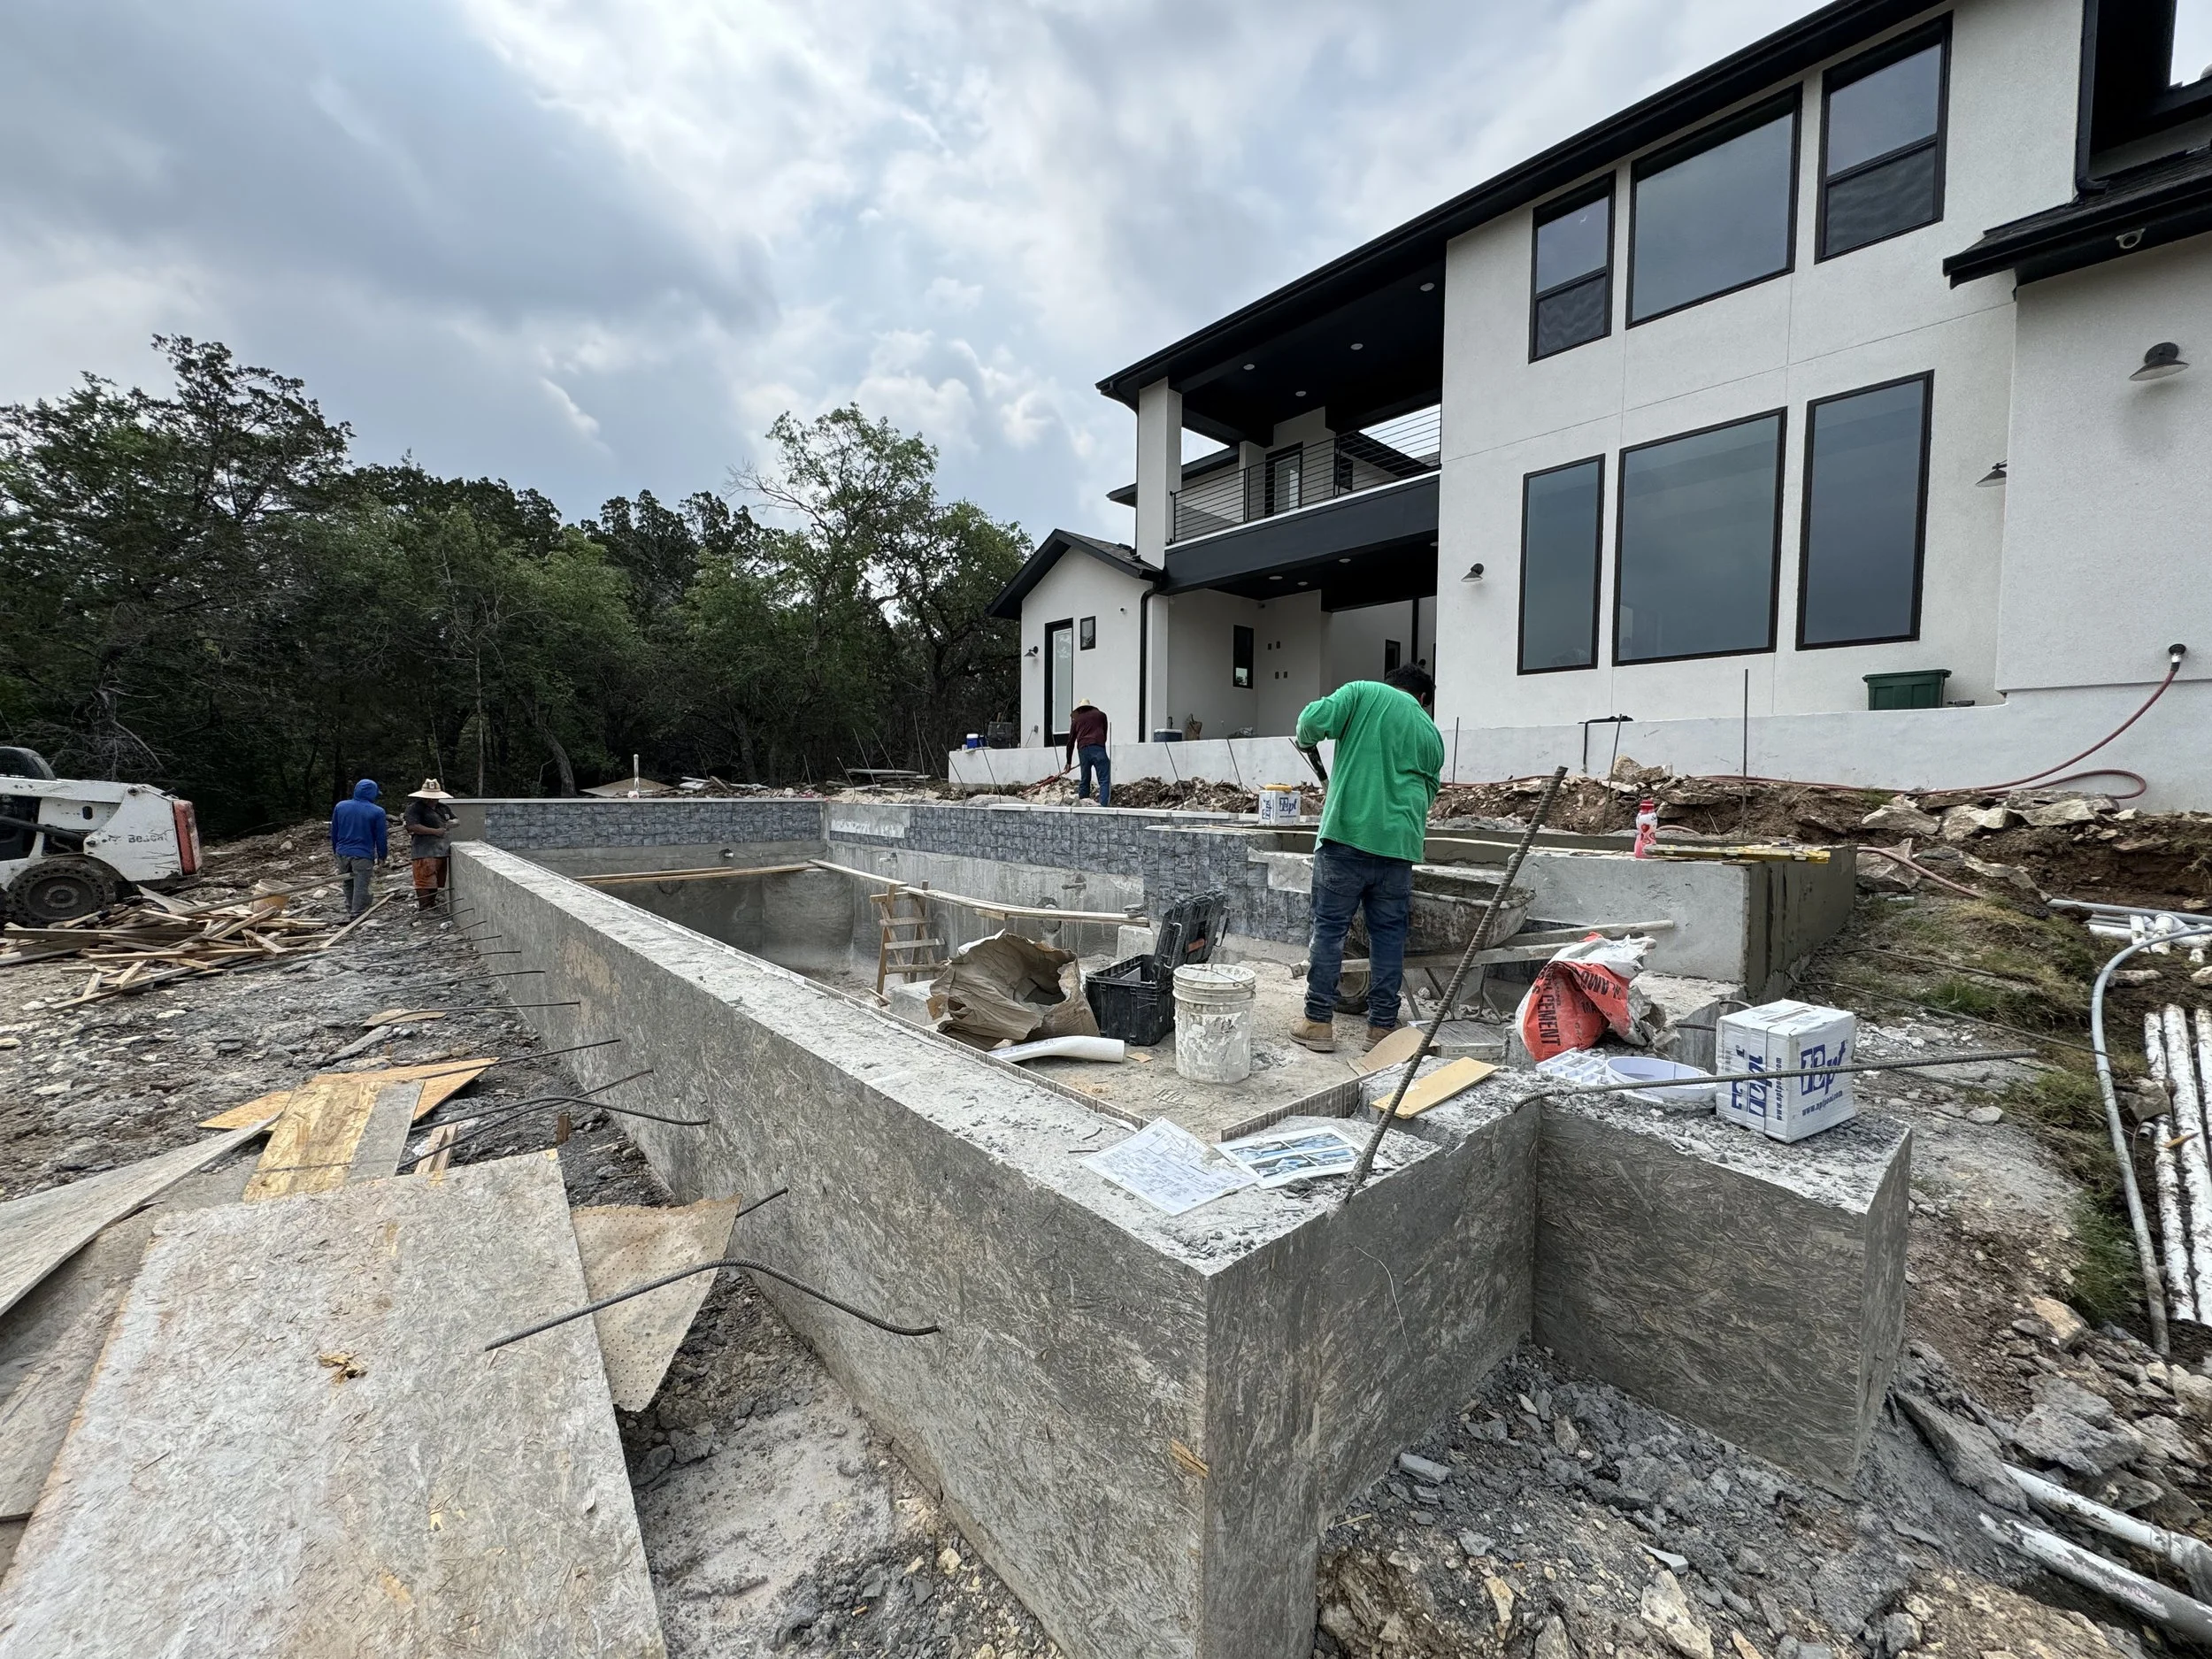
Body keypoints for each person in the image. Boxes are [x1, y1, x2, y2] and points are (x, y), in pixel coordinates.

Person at [1290, 666, 1444, 1053]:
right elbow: (1428, 792)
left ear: (1391, 684)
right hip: (1399, 849)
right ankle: (1381, 1028)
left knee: (1330, 932)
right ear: (1423, 698)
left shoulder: (1363, 692)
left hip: (1347, 837)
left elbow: (1309, 723)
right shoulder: (1429, 731)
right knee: (1388, 938)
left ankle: (1318, 1022)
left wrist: (1312, 738)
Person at [328, 779, 388, 918]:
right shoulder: (377, 811)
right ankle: (358, 914)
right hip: (363, 855)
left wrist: (336, 851)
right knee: (361, 885)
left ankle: (351, 909)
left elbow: (334, 832)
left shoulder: (341, 806)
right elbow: (381, 837)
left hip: (342, 852)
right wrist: (382, 856)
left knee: (348, 883)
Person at [403, 778, 458, 911]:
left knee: (435, 881)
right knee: (424, 881)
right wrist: (435, 832)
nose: (432, 800)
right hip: (423, 850)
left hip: (441, 850)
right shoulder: (415, 808)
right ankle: (425, 908)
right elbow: (413, 827)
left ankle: (431, 905)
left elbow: (455, 819)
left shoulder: (442, 807)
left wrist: (454, 822)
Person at [1067, 697, 1110, 808]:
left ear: (1080, 709)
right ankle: (1103, 806)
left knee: (1085, 779)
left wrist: (1069, 762)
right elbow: (1104, 734)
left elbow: (1071, 741)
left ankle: (1082, 804)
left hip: (1083, 750)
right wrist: (1100, 746)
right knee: (1104, 779)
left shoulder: (1076, 720)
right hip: (1098, 748)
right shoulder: (1101, 715)